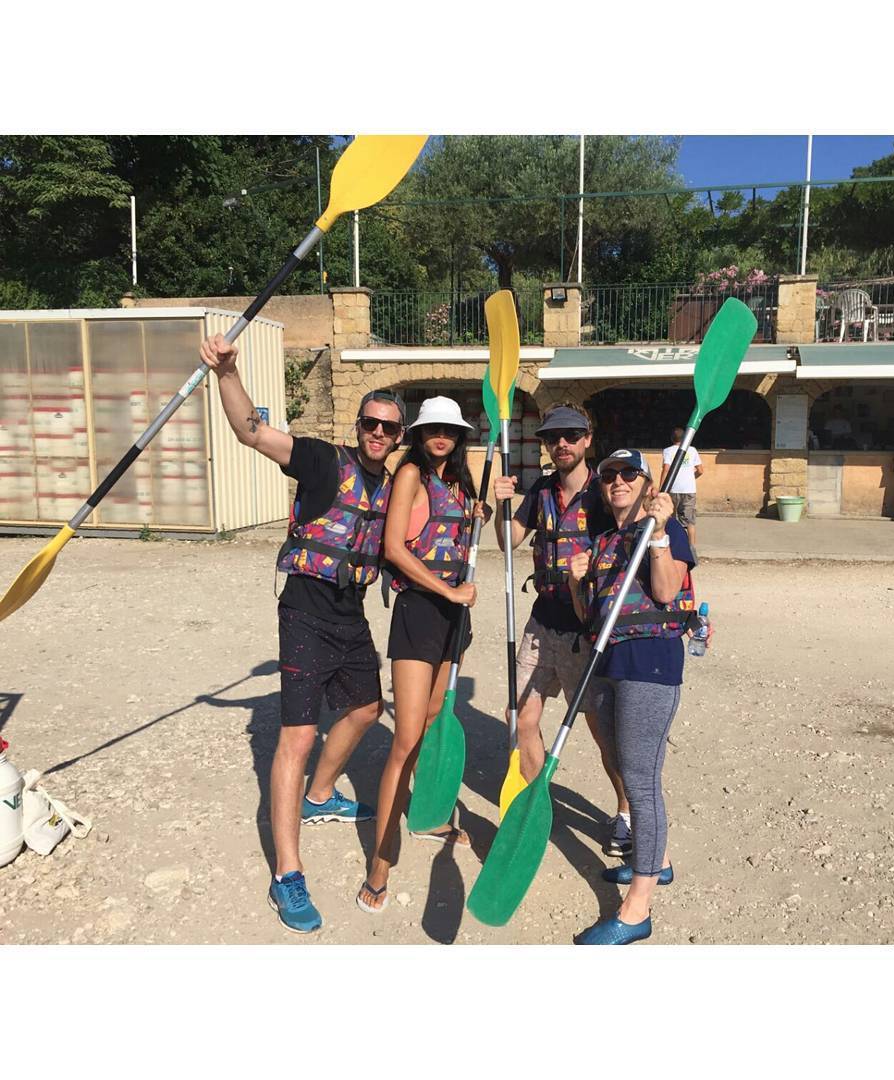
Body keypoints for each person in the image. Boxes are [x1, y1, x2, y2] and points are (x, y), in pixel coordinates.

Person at [199, 334, 402, 935]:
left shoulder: (396, 485)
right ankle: (287, 873)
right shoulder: (321, 460)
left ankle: (320, 795)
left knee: (366, 709)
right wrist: (227, 374)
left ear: (398, 437)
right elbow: (253, 433)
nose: (377, 434)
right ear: (358, 426)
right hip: (305, 611)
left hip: (351, 613)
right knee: (298, 736)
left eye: (389, 428)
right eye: (370, 423)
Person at [567, 449, 697, 945]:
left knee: (641, 780)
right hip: (607, 663)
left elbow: (665, 592)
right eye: (608, 475)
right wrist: (577, 582)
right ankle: (656, 861)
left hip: (650, 661)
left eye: (628, 473)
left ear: (646, 484)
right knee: (622, 764)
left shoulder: (667, 530)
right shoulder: (603, 542)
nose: (617, 481)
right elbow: (588, 616)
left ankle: (637, 908)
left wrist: (659, 534)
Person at [357, 396, 479, 915]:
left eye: (449, 429)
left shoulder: (461, 483)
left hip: (454, 618)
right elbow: (393, 548)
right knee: (405, 738)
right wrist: (448, 592)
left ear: (459, 435)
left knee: (431, 725)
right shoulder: (411, 475)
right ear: (421, 433)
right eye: (432, 429)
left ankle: (426, 814)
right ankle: (381, 861)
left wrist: (484, 510)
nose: (441, 436)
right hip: (420, 612)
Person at [492, 405, 630, 857]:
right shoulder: (541, 490)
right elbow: (508, 541)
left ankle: (626, 812)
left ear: (587, 438)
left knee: (600, 728)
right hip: (542, 621)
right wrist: (501, 504)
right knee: (520, 716)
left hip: (583, 629)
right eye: (553, 438)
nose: (562, 444)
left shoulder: (604, 491)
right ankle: (535, 805)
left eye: (571, 435)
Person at [659, 427, 704, 548]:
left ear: (671, 438)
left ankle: (672, 546)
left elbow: (666, 469)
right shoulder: (692, 450)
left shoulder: (668, 451)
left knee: (671, 519)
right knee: (690, 521)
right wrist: (691, 478)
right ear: (685, 438)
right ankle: (691, 548)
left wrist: (662, 489)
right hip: (689, 489)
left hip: (673, 489)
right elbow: (700, 470)